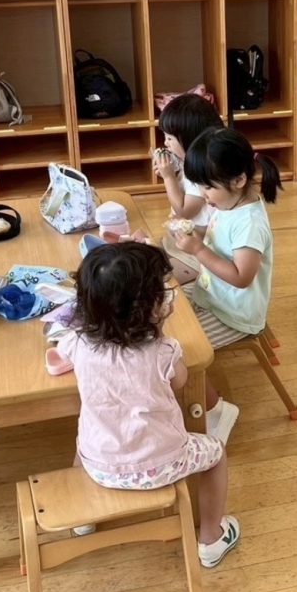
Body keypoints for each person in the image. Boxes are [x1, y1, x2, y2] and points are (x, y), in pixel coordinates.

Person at [56, 242, 239, 568]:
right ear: (151, 309)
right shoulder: (164, 351)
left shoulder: (78, 343)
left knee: (83, 438)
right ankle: (212, 537)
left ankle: (83, 519)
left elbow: (61, 351)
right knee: (216, 454)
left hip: (98, 462)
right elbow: (180, 382)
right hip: (162, 462)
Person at [170, 127, 281, 443]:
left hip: (234, 314)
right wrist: (194, 235)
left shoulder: (249, 223)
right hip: (211, 295)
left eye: (208, 187)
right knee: (165, 305)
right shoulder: (228, 204)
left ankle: (218, 410)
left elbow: (241, 278)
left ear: (239, 180)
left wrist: (197, 250)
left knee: (179, 354)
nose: (203, 194)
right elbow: (218, 240)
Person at [152, 94, 224, 267]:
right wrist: (172, 173)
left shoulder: (200, 170)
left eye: (170, 138)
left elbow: (184, 211)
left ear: (190, 139)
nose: (166, 143)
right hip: (197, 232)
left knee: (159, 259)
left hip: (204, 241)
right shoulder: (197, 159)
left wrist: (169, 177)